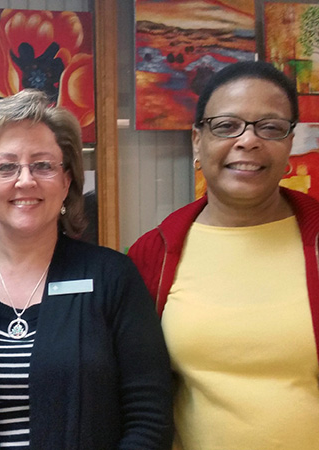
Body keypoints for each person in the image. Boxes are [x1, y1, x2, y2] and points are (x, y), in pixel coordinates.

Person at [0, 89, 173, 450]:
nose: (25, 180)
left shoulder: (113, 278)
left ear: (67, 180)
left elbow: (150, 416)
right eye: (6, 167)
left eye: (42, 165)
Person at [128, 61, 319, 450]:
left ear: (290, 142)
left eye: (270, 127)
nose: (248, 141)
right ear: (197, 140)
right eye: (226, 126)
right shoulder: (154, 254)